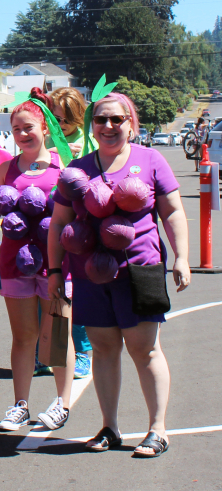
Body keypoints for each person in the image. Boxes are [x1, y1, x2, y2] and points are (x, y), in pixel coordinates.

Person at [48, 93, 189, 458]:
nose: (108, 127)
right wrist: (53, 271)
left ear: (130, 123)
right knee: (104, 348)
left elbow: (172, 211)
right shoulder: (77, 169)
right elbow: (59, 223)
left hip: (140, 269)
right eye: (101, 120)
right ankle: (110, 427)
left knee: (145, 349)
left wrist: (182, 257)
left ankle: (157, 430)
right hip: (90, 274)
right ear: (91, 124)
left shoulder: (150, 159)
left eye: (116, 119)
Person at [0, 87, 74, 432]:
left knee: (57, 333)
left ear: (45, 127)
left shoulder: (64, 164)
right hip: (16, 261)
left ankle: (62, 402)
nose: (22, 135)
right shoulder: (6, 168)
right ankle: (21, 406)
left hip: (57, 262)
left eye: (29, 127)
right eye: (16, 129)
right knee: (23, 337)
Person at [49, 87, 96, 379]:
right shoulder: (46, 141)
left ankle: (82, 353)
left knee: (75, 292)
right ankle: (50, 352)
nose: (62, 125)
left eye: (67, 119)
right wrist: (51, 152)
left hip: (80, 224)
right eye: (56, 119)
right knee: (50, 291)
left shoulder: (89, 140)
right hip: (47, 222)